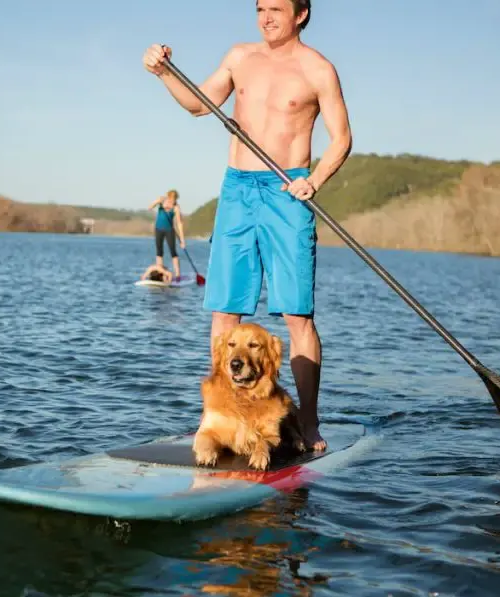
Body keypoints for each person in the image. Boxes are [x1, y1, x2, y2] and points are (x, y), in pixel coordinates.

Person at [142, 0, 352, 451]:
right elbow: (198, 105)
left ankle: (310, 423)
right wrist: (164, 73)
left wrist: (314, 180)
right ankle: (215, 416)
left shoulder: (318, 69)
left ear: (302, 14)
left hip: (288, 190)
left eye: (276, 8)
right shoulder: (240, 57)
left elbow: (342, 138)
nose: (265, 17)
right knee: (224, 311)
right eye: (260, 8)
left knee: (297, 314)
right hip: (237, 189)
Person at [147, 189, 186, 279]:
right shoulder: (161, 202)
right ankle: (160, 273)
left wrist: (182, 240)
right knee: (159, 252)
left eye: (174, 199)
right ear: (168, 196)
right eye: (171, 198)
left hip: (169, 230)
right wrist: (157, 201)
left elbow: (179, 223)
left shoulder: (176, 207)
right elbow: (149, 208)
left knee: (173, 252)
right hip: (158, 229)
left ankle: (177, 275)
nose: (172, 200)